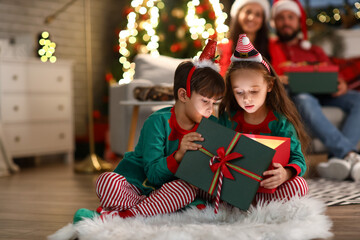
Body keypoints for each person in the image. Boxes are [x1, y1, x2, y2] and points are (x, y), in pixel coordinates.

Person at [73, 40, 225, 222]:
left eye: (214, 103)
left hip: (173, 190)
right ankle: (149, 209)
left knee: (185, 190)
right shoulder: (157, 122)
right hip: (138, 185)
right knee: (106, 182)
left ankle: (126, 214)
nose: (211, 109)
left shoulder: (211, 125)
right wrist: (178, 155)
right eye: (205, 101)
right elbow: (153, 175)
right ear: (184, 95)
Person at [270, 0, 360, 181]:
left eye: (290, 17)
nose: (286, 22)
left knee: (357, 100)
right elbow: (270, 74)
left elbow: (331, 71)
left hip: (325, 94)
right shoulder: (272, 47)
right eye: (281, 18)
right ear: (275, 22)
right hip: (296, 95)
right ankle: (349, 155)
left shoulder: (314, 50)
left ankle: (338, 160)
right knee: (304, 99)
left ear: (298, 21)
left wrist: (340, 83)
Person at [218, 34, 309, 203]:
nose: (247, 99)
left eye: (254, 91)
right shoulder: (227, 119)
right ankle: (238, 203)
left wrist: (285, 173)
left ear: (269, 85)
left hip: (267, 188)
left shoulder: (281, 123)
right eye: (239, 92)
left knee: (299, 185)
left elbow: (298, 159)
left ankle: (254, 205)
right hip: (234, 186)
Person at [218, 0, 270, 77]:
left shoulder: (273, 47)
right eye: (248, 12)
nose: (251, 17)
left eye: (258, 15)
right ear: (238, 14)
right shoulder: (221, 49)